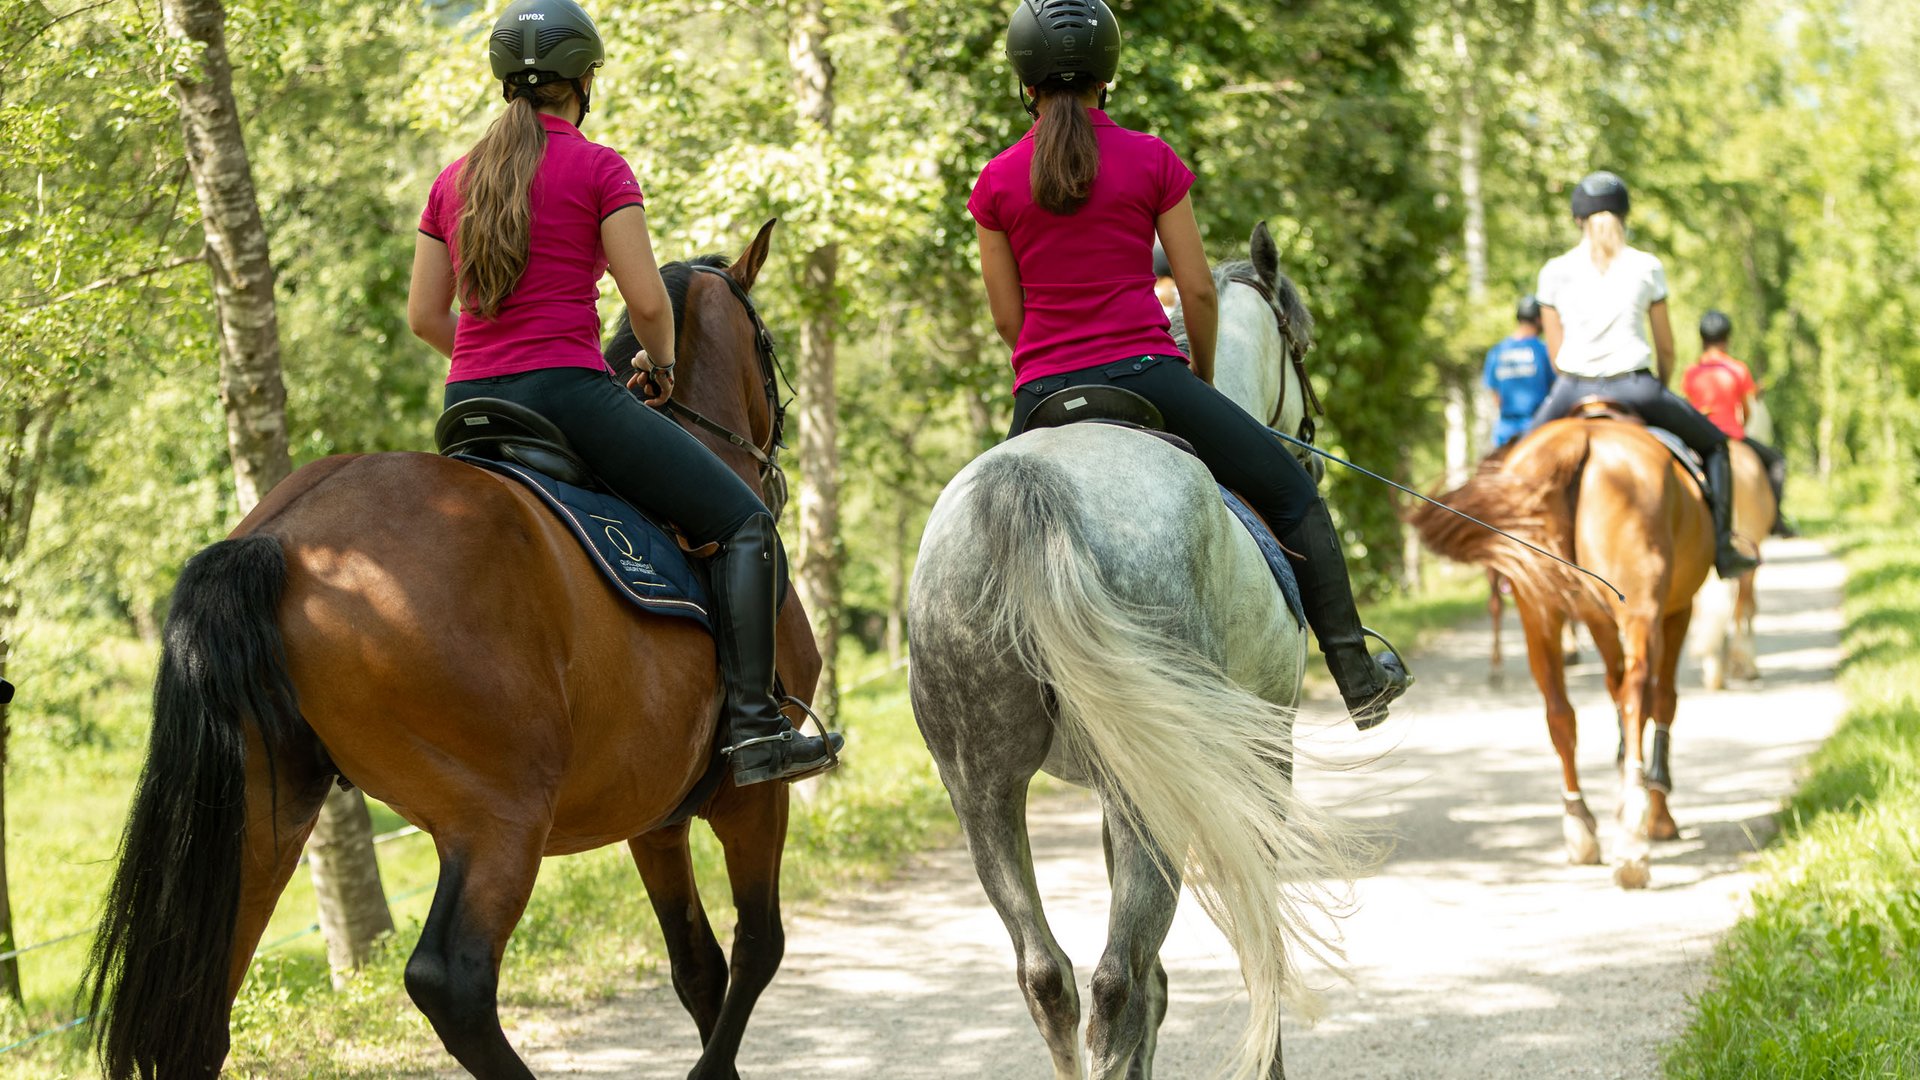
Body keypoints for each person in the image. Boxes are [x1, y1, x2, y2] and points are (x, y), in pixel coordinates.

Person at [406, 0, 840, 786]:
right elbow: (647, 304)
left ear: (506, 82)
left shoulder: (451, 181)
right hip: (571, 398)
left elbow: (424, 316)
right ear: (585, 81)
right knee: (745, 523)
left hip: (467, 404)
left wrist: (486, 355)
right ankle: (753, 731)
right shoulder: (600, 168)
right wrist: (663, 366)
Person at [968, 0, 1410, 726]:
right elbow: (1199, 289)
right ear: (1107, 76)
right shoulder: (1150, 159)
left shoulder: (997, 181)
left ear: (1026, 82)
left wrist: (1042, 364)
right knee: (1295, 498)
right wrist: (1199, 379)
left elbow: (1006, 318)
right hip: (1148, 374)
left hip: (1042, 391)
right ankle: (1358, 676)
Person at [1528, 171, 1759, 579]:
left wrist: (1576, 375)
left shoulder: (1553, 271)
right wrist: (1660, 387)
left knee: (1517, 459)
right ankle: (1722, 548)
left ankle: (1516, 557)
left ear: (1578, 220)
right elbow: (1665, 346)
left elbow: (1556, 354)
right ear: (1624, 217)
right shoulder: (1647, 266)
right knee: (1717, 446)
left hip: (1573, 387)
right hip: (1636, 386)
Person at [1683, 310, 1793, 535]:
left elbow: (1691, 408)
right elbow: (1747, 409)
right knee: (1777, 462)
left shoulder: (1691, 372)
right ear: (1727, 339)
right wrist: (1740, 425)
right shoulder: (1737, 370)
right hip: (1732, 435)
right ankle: (1775, 520)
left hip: (1699, 438)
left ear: (1702, 339)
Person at [1483, 295, 1556, 448]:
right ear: (1539, 320)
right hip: (1537, 428)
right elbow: (1556, 388)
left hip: (1505, 430)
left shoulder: (1497, 352)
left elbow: (1495, 395)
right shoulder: (1544, 351)